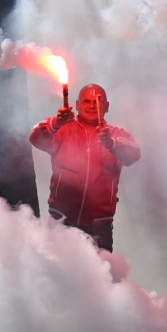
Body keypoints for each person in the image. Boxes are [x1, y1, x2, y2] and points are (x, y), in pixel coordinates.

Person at [29, 83, 141, 252]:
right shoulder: (62, 129)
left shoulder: (115, 134)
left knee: (99, 276)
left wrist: (111, 144)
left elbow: (134, 153)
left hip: (99, 227)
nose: (92, 106)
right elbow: (35, 137)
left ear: (107, 107)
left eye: (98, 102)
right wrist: (56, 123)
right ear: (77, 105)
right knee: (58, 273)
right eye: (87, 101)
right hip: (61, 221)